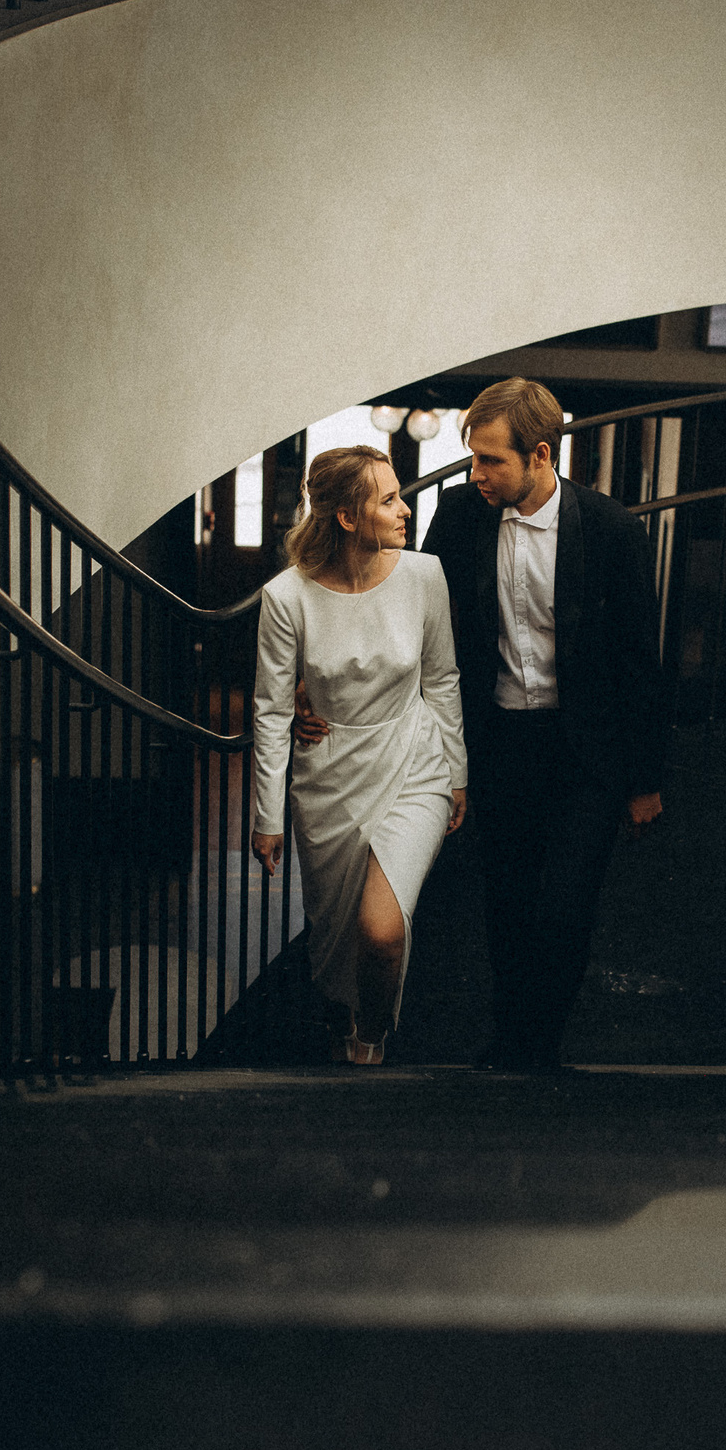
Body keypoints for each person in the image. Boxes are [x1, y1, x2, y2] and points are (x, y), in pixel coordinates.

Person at [305, 378, 669, 1071]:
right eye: (472, 459)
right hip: (499, 745)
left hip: (585, 754)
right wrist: (312, 674)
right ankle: (512, 1045)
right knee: (506, 906)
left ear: (538, 455)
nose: (475, 474)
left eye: (489, 461)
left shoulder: (613, 530)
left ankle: (539, 1045)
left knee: (564, 909)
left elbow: (639, 661)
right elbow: (399, 611)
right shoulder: (461, 520)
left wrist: (644, 780)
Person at [249, 446, 467, 1065]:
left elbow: (442, 680)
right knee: (337, 934)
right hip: (330, 776)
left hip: (414, 761)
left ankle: (366, 1041)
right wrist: (268, 816)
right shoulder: (286, 598)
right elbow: (270, 710)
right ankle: (351, 1017)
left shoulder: (425, 576)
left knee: (381, 931)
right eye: (389, 500)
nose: (405, 510)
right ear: (347, 517)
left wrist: (456, 773)